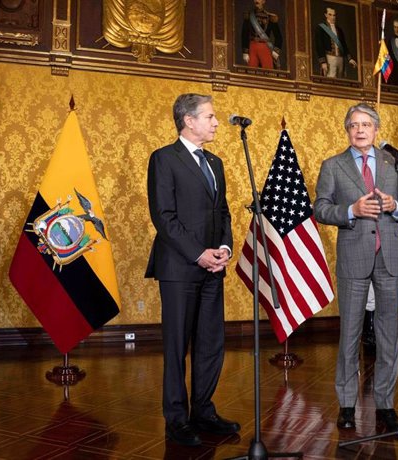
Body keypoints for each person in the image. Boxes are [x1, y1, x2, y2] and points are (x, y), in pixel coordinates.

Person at [313, 103, 398, 431]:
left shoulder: (394, 163)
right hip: (353, 257)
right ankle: (346, 404)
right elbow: (320, 209)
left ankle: (385, 403)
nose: (360, 130)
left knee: (388, 333)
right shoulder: (332, 165)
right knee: (350, 333)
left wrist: (396, 205)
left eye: (366, 125)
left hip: (389, 256)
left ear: (376, 130)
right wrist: (351, 210)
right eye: (354, 125)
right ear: (347, 131)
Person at [145, 94, 239, 447]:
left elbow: (224, 213)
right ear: (188, 120)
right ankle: (176, 419)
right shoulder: (164, 159)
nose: (216, 123)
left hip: (214, 267)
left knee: (210, 343)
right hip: (179, 267)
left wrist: (224, 248)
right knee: (176, 344)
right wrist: (199, 253)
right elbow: (164, 218)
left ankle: (204, 411)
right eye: (211, 117)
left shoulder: (215, 163)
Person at [314, 6, 357, 78]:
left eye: (334, 15)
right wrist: (323, 62)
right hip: (329, 58)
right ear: (326, 15)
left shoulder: (339, 30)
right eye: (330, 15)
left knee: (341, 80)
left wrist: (350, 58)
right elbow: (319, 45)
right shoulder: (321, 28)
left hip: (340, 59)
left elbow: (344, 45)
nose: (333, 17)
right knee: (331, 79)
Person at [241, 0, 283, 69]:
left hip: (265, 47)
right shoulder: (249, 16)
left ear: (263, 1)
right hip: (252, 47)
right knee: (251, 73)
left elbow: (278, 37)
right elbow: (244, 35)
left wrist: (276, 51)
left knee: (268, 72)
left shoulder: (270, 18)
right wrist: (245, 52)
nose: (256, 1)